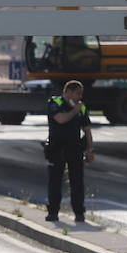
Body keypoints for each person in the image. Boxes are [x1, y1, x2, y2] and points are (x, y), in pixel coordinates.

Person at [45, 80, 94, 223]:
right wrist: (75, 111)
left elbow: (87, 130)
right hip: (57, 148)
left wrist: (90, 149)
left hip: (74, 148)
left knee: (77, 181)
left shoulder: (81, 108)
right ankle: (53, 212)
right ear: (69, 92)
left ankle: (79, 213)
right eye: (78, 93)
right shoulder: (55, 103)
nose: (80, 97)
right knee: (54, 181)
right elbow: (60, 119)